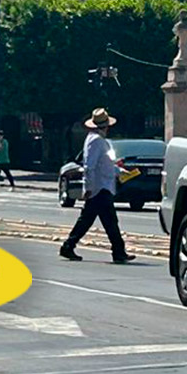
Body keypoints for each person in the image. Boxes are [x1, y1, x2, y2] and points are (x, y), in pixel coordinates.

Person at [58, 108, 135, 263]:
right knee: (109, 221)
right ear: (106, 126)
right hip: (100, 188)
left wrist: (120, 171)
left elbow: (104, 164)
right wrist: (88, 188)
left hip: (101, 187)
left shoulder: (96, 140)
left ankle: (68, 246)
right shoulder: (96, 141)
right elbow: (90, 166)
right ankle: (118, 252)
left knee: (89, 220)